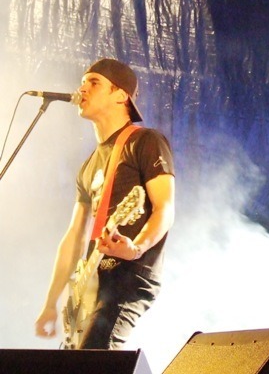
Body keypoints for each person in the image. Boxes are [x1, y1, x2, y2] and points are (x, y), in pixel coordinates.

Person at [35, 58, 175, 349]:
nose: (82, 88)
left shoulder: (145, 141)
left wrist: (137, 247)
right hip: (93, 280)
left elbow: (165, 208)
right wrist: (51, 303)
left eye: (94, 82)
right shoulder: (88, 166)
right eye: (82, 82)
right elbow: (74, 236)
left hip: (129, 274)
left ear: (121, 95)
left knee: (95, 357)